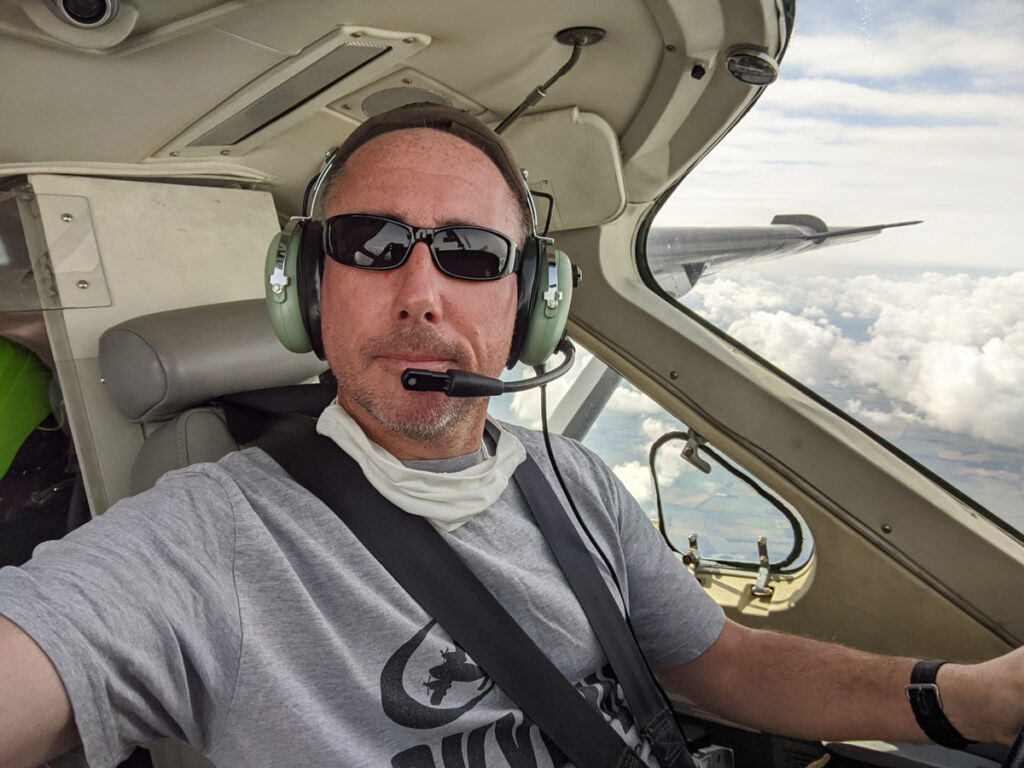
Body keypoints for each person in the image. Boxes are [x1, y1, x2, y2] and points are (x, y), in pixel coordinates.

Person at [0, 104, 1021, 768]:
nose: (420, 295)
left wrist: (967, 699)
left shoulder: (575, 484)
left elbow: (725, 664)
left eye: (472, 256)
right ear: (307, 290)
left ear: (532, 302)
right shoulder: (206, 540)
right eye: (372, 245)